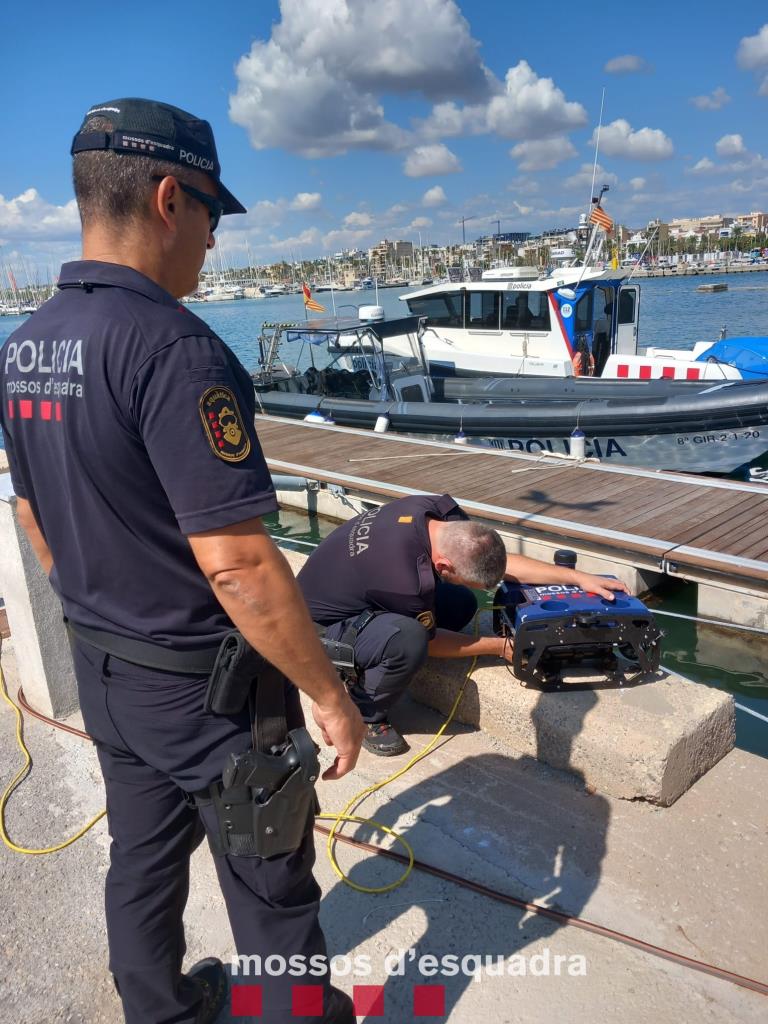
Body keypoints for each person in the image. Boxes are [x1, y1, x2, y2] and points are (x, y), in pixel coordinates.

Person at [0, 98, 364, 1024]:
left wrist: (100, 609)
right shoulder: (178, 352)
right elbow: (240, 563)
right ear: (169, 199)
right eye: (211, 213)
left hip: (109, 668)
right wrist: (327, 696)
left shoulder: (27, 346)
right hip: (210, 693)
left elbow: (33, 515)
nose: (213, 241)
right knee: (272, 891)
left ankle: (158, 1012)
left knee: (143, 860)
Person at [298, 494, 627, 756]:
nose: (480, 591)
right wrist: (500, 647)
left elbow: (497, 562)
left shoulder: (435, 510)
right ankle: (364, 712)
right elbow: (429, 643)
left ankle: (376, 653)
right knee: (409, 640)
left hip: (351, 588)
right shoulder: (403, 579)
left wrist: (577, 578)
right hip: (321, 629)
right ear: (442, 564)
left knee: (461, 603)